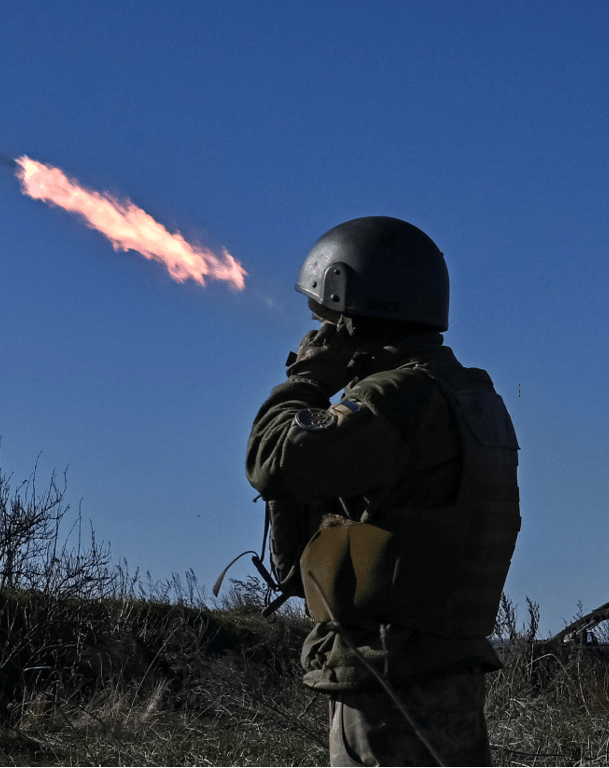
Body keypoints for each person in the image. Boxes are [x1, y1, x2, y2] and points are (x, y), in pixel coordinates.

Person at [246, 216, 520, 766]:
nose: (320, 327)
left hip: (389, 679)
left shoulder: (397, 398)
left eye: (327, 315)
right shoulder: (466, 394)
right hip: (446, 673)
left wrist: (310, 379)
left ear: (351, 308)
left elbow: (273, 461)